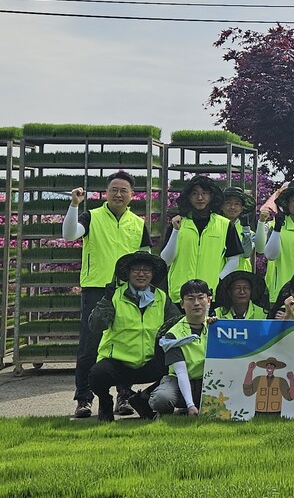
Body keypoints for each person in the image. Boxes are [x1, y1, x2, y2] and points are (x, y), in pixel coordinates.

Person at [61, 170, 152, 419]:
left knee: (124, 345)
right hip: (96, 289)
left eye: (124, 190)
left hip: (127, 291)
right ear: (106, 193)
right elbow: (69, 235)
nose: (119, 194)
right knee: (90, 346)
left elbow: (145, 258)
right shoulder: (91, 216)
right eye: (114, 189)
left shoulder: (138, 223)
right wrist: (74, 205)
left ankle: (124, 395)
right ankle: (84, 398)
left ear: (133, 195)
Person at [87, 252, 180, 421]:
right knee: (96, 375)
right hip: (118, 362)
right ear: (128, 273)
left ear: (152, 274)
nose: (141, 274)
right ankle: (106, 402)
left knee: (179, 368)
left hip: (150, 362)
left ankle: (142, 399)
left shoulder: (162, 297)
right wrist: (106, 301)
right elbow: (95, 325)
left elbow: (177, 325)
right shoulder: (115, 295)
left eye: (146, 270)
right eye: (136, 269)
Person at [160, 175, 245, 303]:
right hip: (180, 296)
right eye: (195, 193)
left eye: (204, 193)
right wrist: (176, 231)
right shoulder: (178, 223)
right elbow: (165, 260)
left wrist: (219, 280)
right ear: (188, 197)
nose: (200, 198)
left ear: (211, 196)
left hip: (211, 295)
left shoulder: (225, 225)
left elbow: (234, 259)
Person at [149, 279, 213, 416]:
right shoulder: (173, 334)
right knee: (162, 399)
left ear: (208, 300)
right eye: (190, 299)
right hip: (178, 380)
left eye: (201, 298)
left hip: (208, 380)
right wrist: (190, 405)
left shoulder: (217, 328)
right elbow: (181, 373)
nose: (196, 303)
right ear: (182, 304)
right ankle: (168, 412)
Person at [219, 186, 255, 272]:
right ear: (221, 206)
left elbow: (246, 253)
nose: (232, 207)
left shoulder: (249, 233)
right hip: (216, 276)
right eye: (228, 203)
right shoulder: (213, 227)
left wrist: (246, 230)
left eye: (237, 204)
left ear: (242, 208)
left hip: (240, 279)